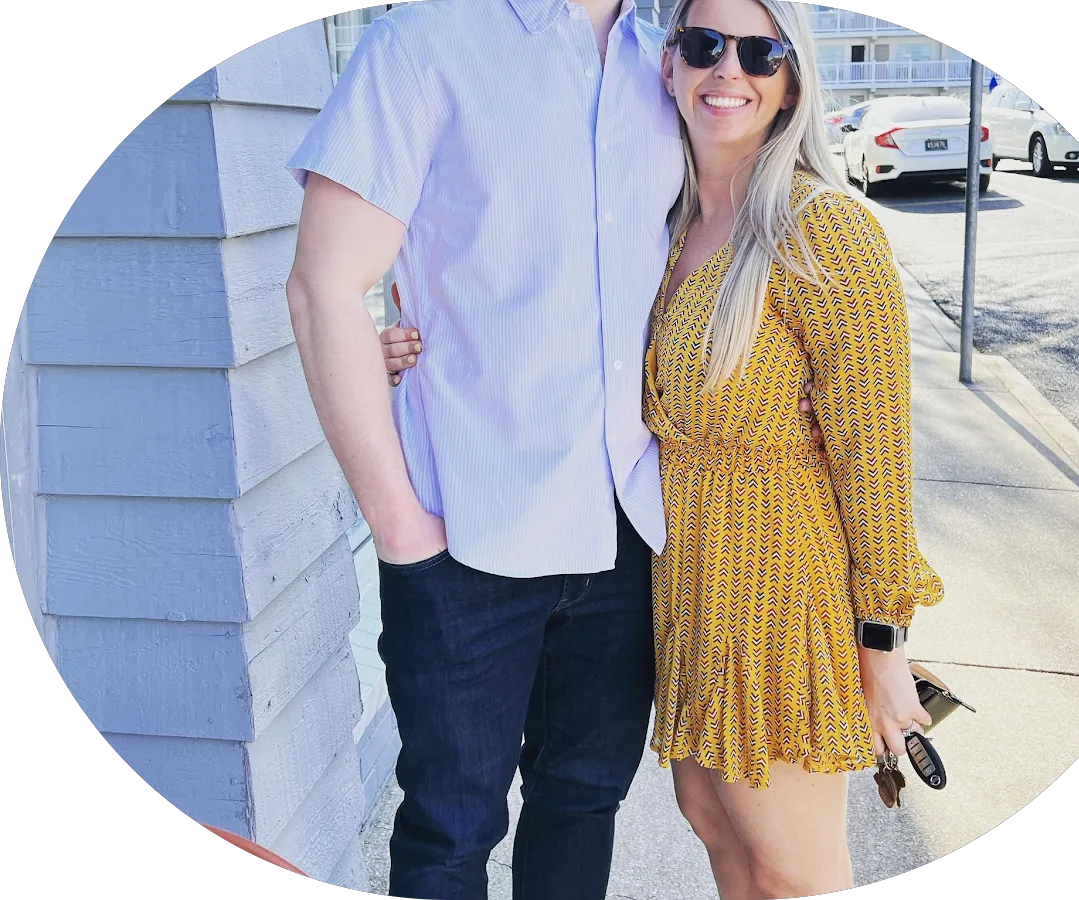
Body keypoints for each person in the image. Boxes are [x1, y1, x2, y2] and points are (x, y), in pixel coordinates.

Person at [381, 1, 945, 897]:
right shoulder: (670, 221)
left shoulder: (821, 229)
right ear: (668, 63)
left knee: (793, 871)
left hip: (779, 602)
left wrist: (883, 645)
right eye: (704, 44)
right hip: (685, 592)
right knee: (723, 838)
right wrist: (408, 339)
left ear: (793, 78)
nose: (730, 70)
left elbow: (876, 461)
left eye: (759, 52)